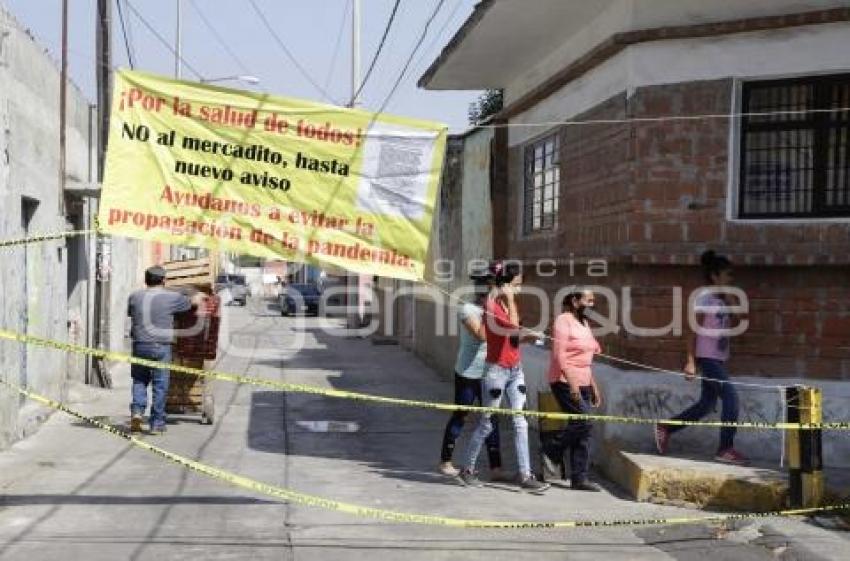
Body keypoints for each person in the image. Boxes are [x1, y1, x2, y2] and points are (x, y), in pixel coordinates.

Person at [457, 261, 549, 492]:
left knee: (520, 421)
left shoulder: (506, 304)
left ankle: (525, 475)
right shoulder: (491, 305)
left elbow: (513, 335)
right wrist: (509, 300)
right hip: (496, 372)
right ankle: (467, 468)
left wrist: (531, 336)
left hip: (514, 369)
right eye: (516, 286)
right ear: (505, 284)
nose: (518, 290)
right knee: (487, 423)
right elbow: (511, 326)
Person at [654, 250, 747, 465]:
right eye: (727, 275)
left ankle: (666, 427)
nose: (731, 279)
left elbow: (741, 317)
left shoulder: (725, 299)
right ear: (715, 276)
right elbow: (692, 330)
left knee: (706, 405)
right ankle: (725, 449)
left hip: (719, 357)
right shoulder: (703, 297)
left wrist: (728, 292)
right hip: (707, 358)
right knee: (731, 398)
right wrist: (690, 361)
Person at [438, 270, 504, 479]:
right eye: (492, 288)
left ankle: (496, 468)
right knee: (461, 415)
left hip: (491, 372)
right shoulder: (467, 309)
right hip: (468, 372)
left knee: (491, 418)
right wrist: (489, 309)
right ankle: (445, 461)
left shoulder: (497, 309)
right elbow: (483, 335)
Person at [127, 266, 203, 434]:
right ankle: (156, 424)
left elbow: (132, 314)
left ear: (146, 280)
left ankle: (137, 413)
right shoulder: (172, 298)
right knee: (160, 386)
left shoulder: (134, 296)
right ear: (163, 280)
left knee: (139, 380)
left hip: (140, 344)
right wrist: (193, 293)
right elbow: (195, 302)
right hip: (161, 346)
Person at [542, 289, 604, 491]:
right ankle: (551, 450)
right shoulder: (563, 320)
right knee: (584, 422)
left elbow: (586, 359)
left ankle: (579, 478)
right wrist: (572, 383)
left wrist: (593, 385)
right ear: (576, 301)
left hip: (584, 381)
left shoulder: (585, 324)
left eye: (594, 301)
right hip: (563, 380)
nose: (592, 304)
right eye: (589, 300)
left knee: (583, 429)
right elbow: (559, 355)